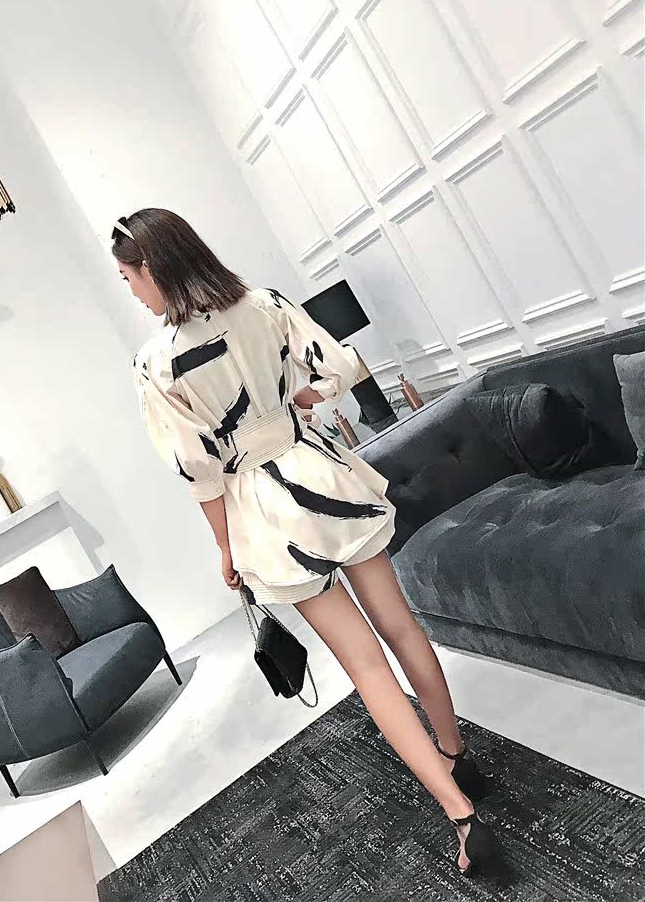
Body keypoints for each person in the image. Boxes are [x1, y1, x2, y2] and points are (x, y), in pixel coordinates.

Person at [113, 208, 504, 878]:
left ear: (151, 267)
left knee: (367, 667)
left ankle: (463, 817)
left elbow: (199, 470)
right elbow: (343, 363)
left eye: (128, 277)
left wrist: (225, 550)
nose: (131, 291)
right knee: (402, 629)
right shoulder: (262, 305)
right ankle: (457, 754)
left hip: (265, 512)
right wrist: (303, 400)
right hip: (323, 477)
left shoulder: (155, 365)